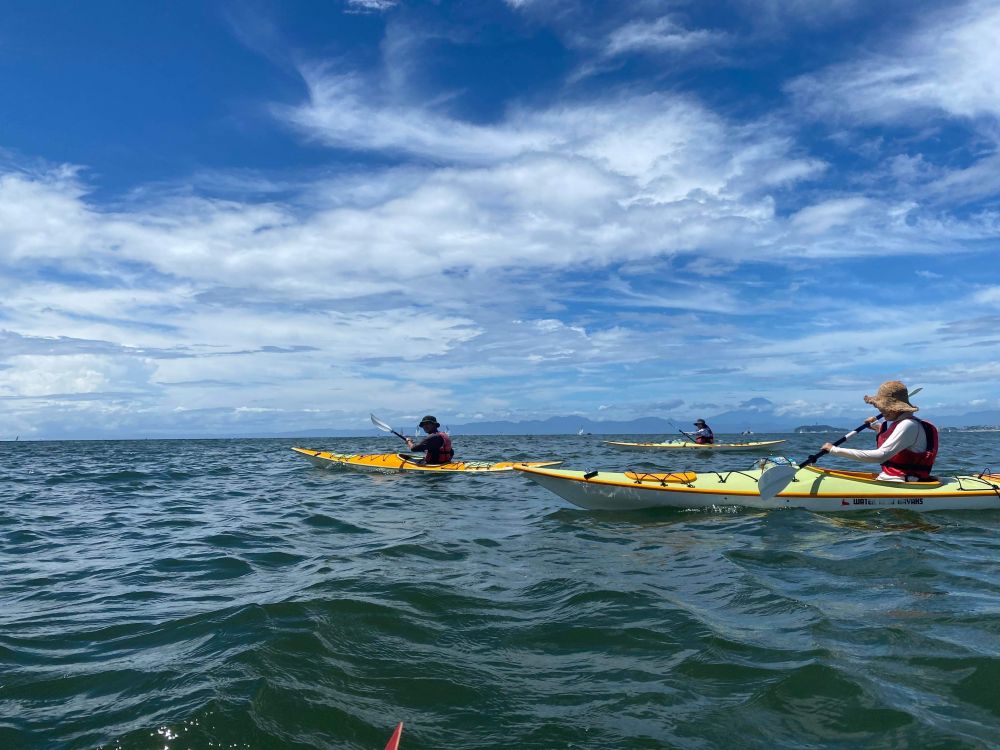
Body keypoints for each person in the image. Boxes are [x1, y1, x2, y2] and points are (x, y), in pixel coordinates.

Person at [822, 380, 938, 481]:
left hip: (901, 483)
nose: (879, 409)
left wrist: (834, 450)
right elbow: (895, 436)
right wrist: (876, 427)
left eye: (882, 407)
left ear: (894, 408)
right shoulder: (905, 423)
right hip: (893, 480)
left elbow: (880, 456)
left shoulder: (908, 425)